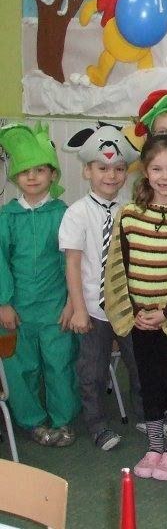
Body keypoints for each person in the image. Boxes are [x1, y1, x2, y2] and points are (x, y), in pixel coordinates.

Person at [104, 134, 167, 481]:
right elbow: (118, 266)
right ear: (145, 171)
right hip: (140, 318)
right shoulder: (129, 215)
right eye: (157, 169)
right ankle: (154, 446)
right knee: (148, 382)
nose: (165, 176)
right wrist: (135, 312)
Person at [59, 122, 144, 451]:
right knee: (93, 371)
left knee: (139, 364)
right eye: (102, 168)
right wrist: (78, 309)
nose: (111, 175)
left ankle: (145, 415)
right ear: (87, 172)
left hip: (129, 306)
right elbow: (73, 264)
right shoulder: (77, 213)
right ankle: (97, 425)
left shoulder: (131, 211)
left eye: (119, 169)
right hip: (94, 309)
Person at [0, 123, 78, 447]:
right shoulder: (7, 216)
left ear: (52, 174)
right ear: (15, 176)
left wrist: (72, 303)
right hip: (17, 309)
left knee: (60, 364)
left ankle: (63, 420)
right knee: (22, 367)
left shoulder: (64, 214)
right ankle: (33, 421)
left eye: (40, 170)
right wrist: (3, 302)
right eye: (24, 171)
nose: (32, 177)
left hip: (56, 306)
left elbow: (73, 261)